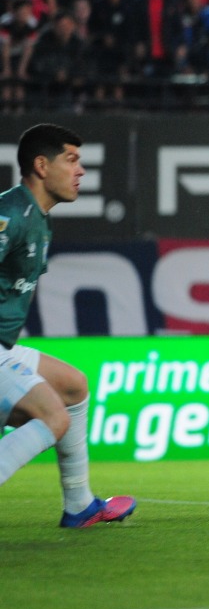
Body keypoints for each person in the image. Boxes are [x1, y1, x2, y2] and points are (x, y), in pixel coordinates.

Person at [0, 124, 136, 527]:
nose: (81, 172)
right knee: (54, 418)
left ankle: (79, 504)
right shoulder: (11, 214)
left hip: (5, 347)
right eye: (72, 160)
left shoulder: (37, 218)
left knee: (73, 385)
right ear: (41, 166)